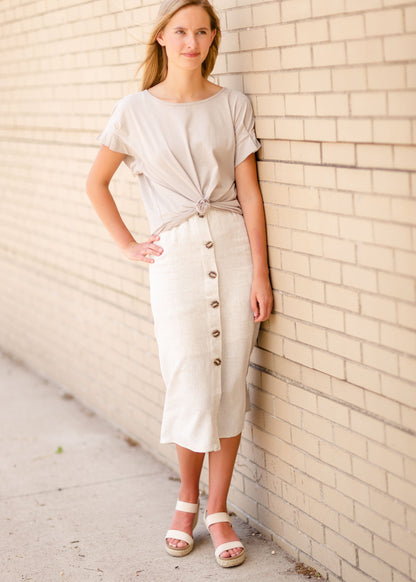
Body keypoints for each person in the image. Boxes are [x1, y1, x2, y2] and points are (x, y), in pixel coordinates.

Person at [86, 0, 273, 569]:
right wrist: (127, 245)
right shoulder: (134, 110)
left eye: (201, 31)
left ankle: (218, 512)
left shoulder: (232, 104)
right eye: (180, 31)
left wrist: (261, 271)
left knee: (230, 382)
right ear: (163, 39)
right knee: (190, 376)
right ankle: (185, 500)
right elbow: (96, 184)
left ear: (212, 38)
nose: (191, 41)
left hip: (235, 250)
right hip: (176, 257)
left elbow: (250, 194)